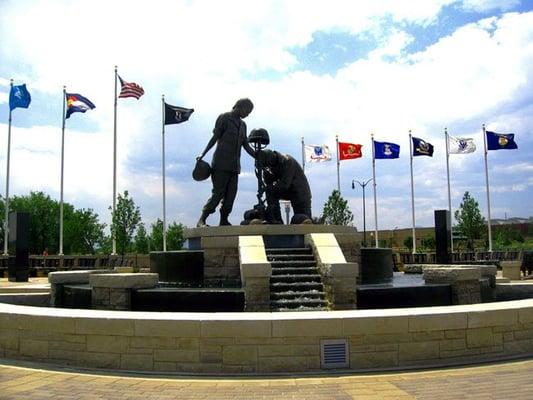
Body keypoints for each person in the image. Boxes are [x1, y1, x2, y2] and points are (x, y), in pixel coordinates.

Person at [196, 98, 255, 227]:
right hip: (220, 164)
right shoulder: (224, 118)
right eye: (247, 111)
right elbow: (214, 137)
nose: (248, 114)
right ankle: (202, 219)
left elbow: (246, 145)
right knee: (218, 194)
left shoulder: (243, 125)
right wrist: (203, 153)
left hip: (234, 167)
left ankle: (224, 220)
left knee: (230, 197)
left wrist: (258, 156)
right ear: (240, 106)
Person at [256, 149, 312, 223]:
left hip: (300, 193)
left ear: (271, 159)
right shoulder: (273, 165)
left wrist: (267, 188)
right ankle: (276, 220)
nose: (268, 167)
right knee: (270, 192)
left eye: (268, 165)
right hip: (288, 191)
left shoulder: (288, 161)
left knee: (303, 219)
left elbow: (284, 185)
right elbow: (271, 182)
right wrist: (266, 176)